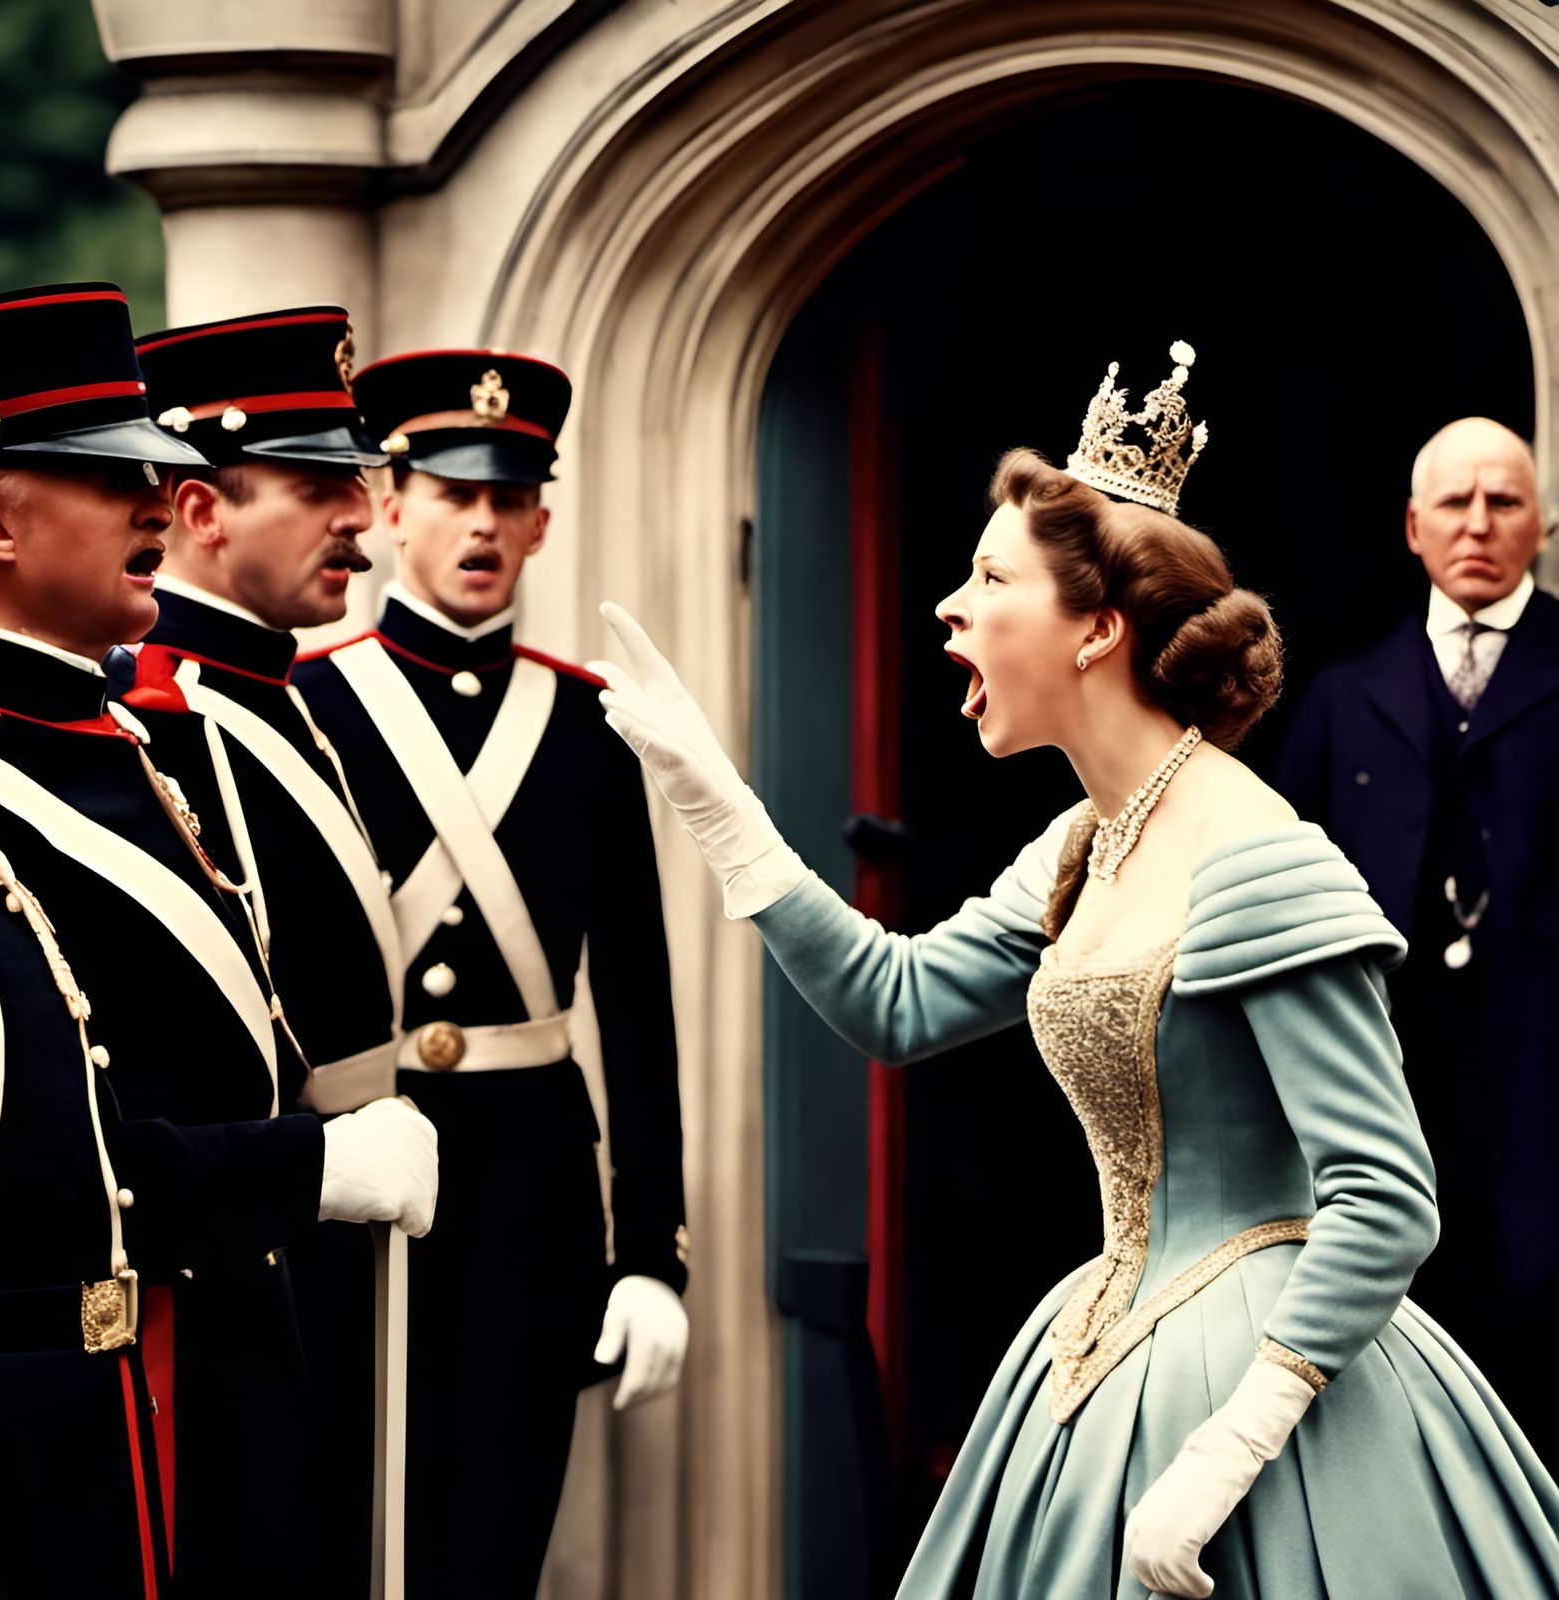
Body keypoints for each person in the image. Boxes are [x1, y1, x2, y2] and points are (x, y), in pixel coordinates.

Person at [590, 348, 1559, 1596]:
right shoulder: (1080, 844)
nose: (949, 608)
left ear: (1098, 629)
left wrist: (1231, 1447)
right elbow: (898, 1002)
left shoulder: (1256, 851)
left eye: (991, 578)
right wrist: (716, 801)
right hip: (1103, 1351)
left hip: (1271, 1394)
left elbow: (1384, 1196)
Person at [0, 282, 437, 1600]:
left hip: (220, 1370)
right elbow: (34, 1173)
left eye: (156, 476)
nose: (157, 506)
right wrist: (309, 1165)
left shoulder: (120, 742)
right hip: (53, 1431)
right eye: (109, 478)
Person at [293, 348, 690, 1598]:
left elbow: (638, 1004)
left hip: (531, 1197)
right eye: (454, 494)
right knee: (335, 1542)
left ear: (541, 524)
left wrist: (652, 1251)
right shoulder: (309, 705)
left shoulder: (588, 725)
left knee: (494, 1549)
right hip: (353, 1181)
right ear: (391, 507)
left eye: (508, 499)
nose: (482, 524)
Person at [123, 303, 408, 1591]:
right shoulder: (163, 716)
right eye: (314, 487)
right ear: (201, 509)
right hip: (256, 1240)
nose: (360, 520)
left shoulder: (274, 692)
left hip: (334, 1229)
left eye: (355, 484)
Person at [1276, 415, 1559, 1464]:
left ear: (1541, 524)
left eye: (1503, 501)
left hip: (1541, 1076)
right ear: (1411, 525)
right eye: (1454, 502)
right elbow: (1282, 890)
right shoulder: (1344, 694)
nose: (1478, 523)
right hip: (1388, 1075)